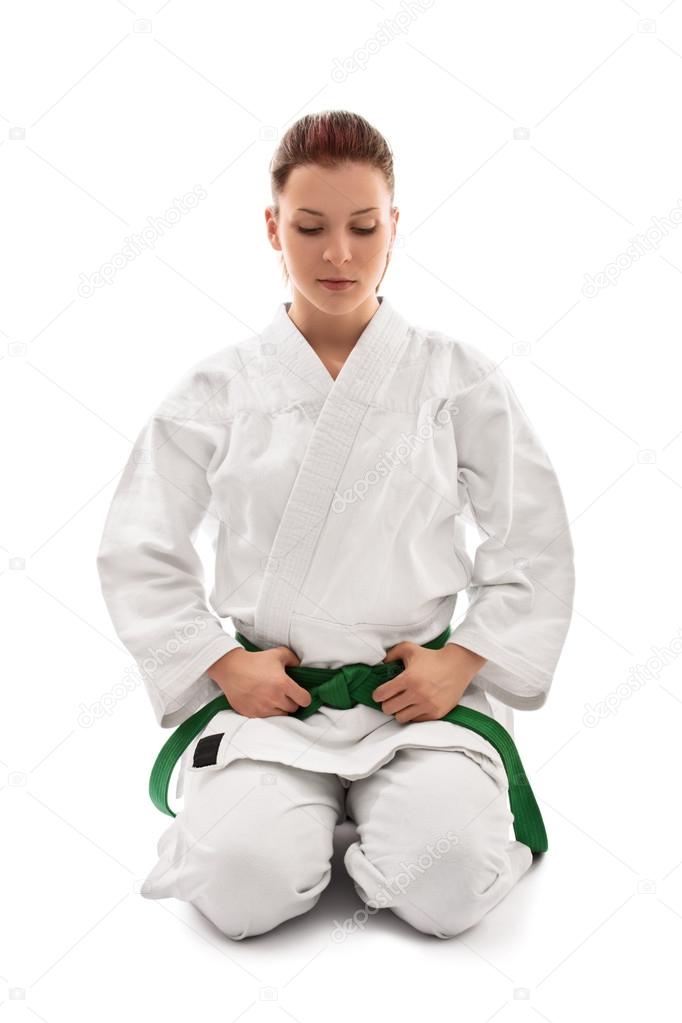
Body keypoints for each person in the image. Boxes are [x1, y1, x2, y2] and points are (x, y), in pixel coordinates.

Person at [96, 110, 575, 940]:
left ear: (395, 223)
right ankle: (290, 819)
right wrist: (220, 663)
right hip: (269, 704)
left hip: (415, 702)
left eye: (363, 226)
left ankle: (398, 814)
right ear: (272, 226)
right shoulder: (218, 389)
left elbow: (532, 538)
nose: (338, 254)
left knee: (452, 886)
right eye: (311, 227)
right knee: (241, 890)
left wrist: (461, 662)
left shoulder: (454, 377)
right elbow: (140, 546)